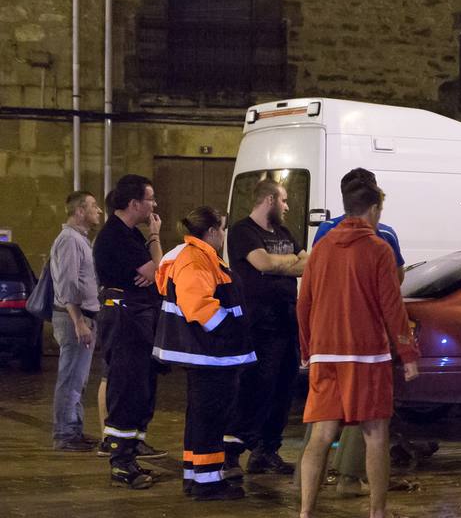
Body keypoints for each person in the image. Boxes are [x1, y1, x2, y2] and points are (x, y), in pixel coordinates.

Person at [295, 175, 420, 518]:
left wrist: (307, 350)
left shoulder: (321, 248)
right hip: (366, 355)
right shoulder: (379, 249)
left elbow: (304, 304)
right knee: (375, 434)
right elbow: (392, 308)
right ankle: (378, 516)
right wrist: (408, 353)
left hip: (325, 354)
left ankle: (305, 517)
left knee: (321, 435)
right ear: (374, 208)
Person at [152, 207, 255, 500]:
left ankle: (196, 475)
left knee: (201, 416)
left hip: (207, 354)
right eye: (222, 228)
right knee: (210, 416)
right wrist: (229, 329)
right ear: (211, 232)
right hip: (210, 354)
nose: (224, 234)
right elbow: (197, 304)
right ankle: (208, 483)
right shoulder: (195, 259)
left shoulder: (195, 255)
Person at [224, 178, 307, 477]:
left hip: (287, 322)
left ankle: (266, 451)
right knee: (255, 387)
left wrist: (280, 262)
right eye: (283, 200)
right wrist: (287, 263)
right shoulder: (242, 231)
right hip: (259, 324)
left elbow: (307, 262)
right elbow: (262, 263)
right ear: (270, 200)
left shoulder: (283, 232)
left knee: (283, 389)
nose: (287, 206)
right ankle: (231, 453)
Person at [94, 174, 168, 488]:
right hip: (125, 320)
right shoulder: (117, 236)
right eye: (150, 199)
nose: (154, 205)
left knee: (140, 386)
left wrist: (153, 273)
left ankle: (131, 455)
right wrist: (155, 237)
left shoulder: (128, 234)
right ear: (134, 203)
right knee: (125, 386)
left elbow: (155, 275)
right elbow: (160, 270)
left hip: (137, 318)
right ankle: (121, 463)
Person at [48, 191, 104, 451]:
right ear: (80, 211)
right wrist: (79, 321)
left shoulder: (79, 239)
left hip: (80, 316)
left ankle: (74, 430)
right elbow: (67, 284)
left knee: (77, 378)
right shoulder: (70, 240)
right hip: (74, 318)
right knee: (70, 378)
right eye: (93, 206)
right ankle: (65, 434)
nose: (99, 211)